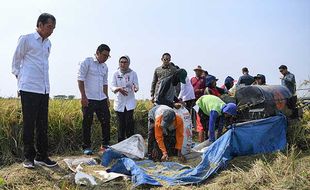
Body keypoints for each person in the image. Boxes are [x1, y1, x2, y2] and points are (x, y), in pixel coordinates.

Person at [11, 13, 57, 169]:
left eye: (53, 28)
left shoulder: (48, 43)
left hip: (44, 88)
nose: (51, 31)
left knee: (43, 124)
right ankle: (28, 158)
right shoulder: (27, 39)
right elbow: (16, 62)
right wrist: (21, 82)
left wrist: (46, 88)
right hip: (29, 88)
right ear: (40, 24)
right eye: (49, 27)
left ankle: (42, 156)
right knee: (29, 124)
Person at [78, 44, 111, 155]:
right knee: (87, 122)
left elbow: (105, 83)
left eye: (107, 56)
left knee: (106, 120)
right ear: (97, 53)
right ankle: (86, 146)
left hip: (101, 98)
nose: (105, 58)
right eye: (104, 55)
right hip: (89, 98)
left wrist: (106, 97)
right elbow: (80, 79)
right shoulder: (87, 62)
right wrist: (83, 96)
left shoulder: (105, 67)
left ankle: (105, 145)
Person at [111, 55, 139, 142]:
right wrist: (118, 89)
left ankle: (130, 144)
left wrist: (136, 88)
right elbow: (112, 86)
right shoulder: (115, 73)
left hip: (129, 102)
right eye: (121, 62)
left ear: (128, 63)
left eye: (125, 62)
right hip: (119, 102)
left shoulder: (133, 73)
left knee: (129, 124)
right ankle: (121, 144)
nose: (123, 64)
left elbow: (136, 84)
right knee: (121, 125)